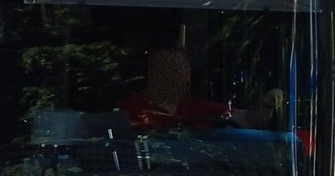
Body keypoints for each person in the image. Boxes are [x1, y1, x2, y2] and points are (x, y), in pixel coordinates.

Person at [118, 47, 282, 130]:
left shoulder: (201, 108)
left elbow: (247, 119)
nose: (176, 76)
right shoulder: (127, 108)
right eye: (167, 69)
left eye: (181, 70)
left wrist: (267, 103)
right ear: (151, 74)